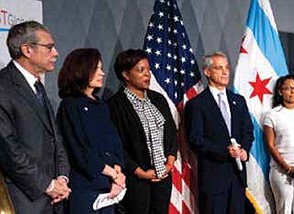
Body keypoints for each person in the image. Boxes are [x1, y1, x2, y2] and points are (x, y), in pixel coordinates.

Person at [0, 20, 71, 213]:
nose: (55, 53)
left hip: (55, 198)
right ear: (27, 50)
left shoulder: (37, 86)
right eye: (49, 47)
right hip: (24, 199)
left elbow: (56, 138)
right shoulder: (3, 87)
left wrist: (62, 178)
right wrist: (48, 185)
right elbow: (8, 148)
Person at [56, 48, 126, 213]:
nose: (102, 73)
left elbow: (114, 142)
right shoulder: (70, 105)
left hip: (109, 187)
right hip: (86, 187)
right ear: (81, 70)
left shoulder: (101, 105)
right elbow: (78, 150)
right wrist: (113, 174)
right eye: (97, 69)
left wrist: (118, 174)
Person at [107, 49, 177, 214]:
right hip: (136, 181)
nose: (147, 74)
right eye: (140, 70)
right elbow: (116, 146)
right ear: (126, 74)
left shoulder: (158, 99)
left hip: (163, 177)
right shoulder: (115, 106)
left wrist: (170, 162)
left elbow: (171, 132)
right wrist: (140, 172)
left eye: (148, 69)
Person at [185, 52, 254, 214]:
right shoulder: (197, 104)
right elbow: (195, 139)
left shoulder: (239, 100)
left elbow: (248, 131)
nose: (225, 72)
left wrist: (244, 151)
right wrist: (224, 151)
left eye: (227, 68)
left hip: (237, 177)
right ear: (207, 72)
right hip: (214, 179)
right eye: (219, 68)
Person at [263, 75, 294, 214]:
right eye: (288, 88)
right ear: (280, 91)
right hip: (281, 171)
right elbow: (270, 145)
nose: (293, 92)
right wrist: (286, 167)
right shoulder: (272, 115)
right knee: (284, 209)